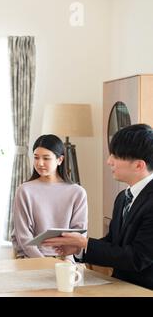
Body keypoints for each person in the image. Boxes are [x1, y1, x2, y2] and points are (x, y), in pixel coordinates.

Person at [43, 124, 153, 289]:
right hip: (118, 285)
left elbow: (137, 258)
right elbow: (113, 243)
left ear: (139, 165)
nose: (109, 161)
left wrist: (85, 243)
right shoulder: (123, 197)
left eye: (115, 156)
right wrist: (79, 248)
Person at [11, 134, 88, 259]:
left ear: (60, 160)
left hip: (65, 260)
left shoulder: (77, 192)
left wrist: (65, 259)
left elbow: (79, 235)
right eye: (36, 158)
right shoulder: (24, 190)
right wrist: (43, 263)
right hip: (31, 260)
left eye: (46, 158)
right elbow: (23, 236)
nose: (40, 163)